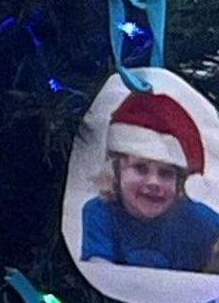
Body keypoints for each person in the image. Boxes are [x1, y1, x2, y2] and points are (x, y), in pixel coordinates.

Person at [80, 87, 219, 274]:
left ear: (179, 181)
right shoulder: (100, 213)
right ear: (115, 171)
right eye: (140, 168)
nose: (154, 182)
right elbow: (100, 273)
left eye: (165, 173)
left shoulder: (197, 219)